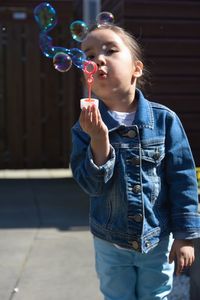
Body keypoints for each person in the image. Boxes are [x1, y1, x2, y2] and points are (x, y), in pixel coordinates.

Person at [70, 23, 200, 300]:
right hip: (109, 242)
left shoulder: (164, 120)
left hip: (156, 239)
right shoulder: (84, 128)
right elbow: (91, 186)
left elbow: (182, 178)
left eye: (110, 50)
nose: (97, 60)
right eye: (89, 55)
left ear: (136, 69)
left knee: (156, 295)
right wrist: (99, 140)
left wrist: (186, 235)